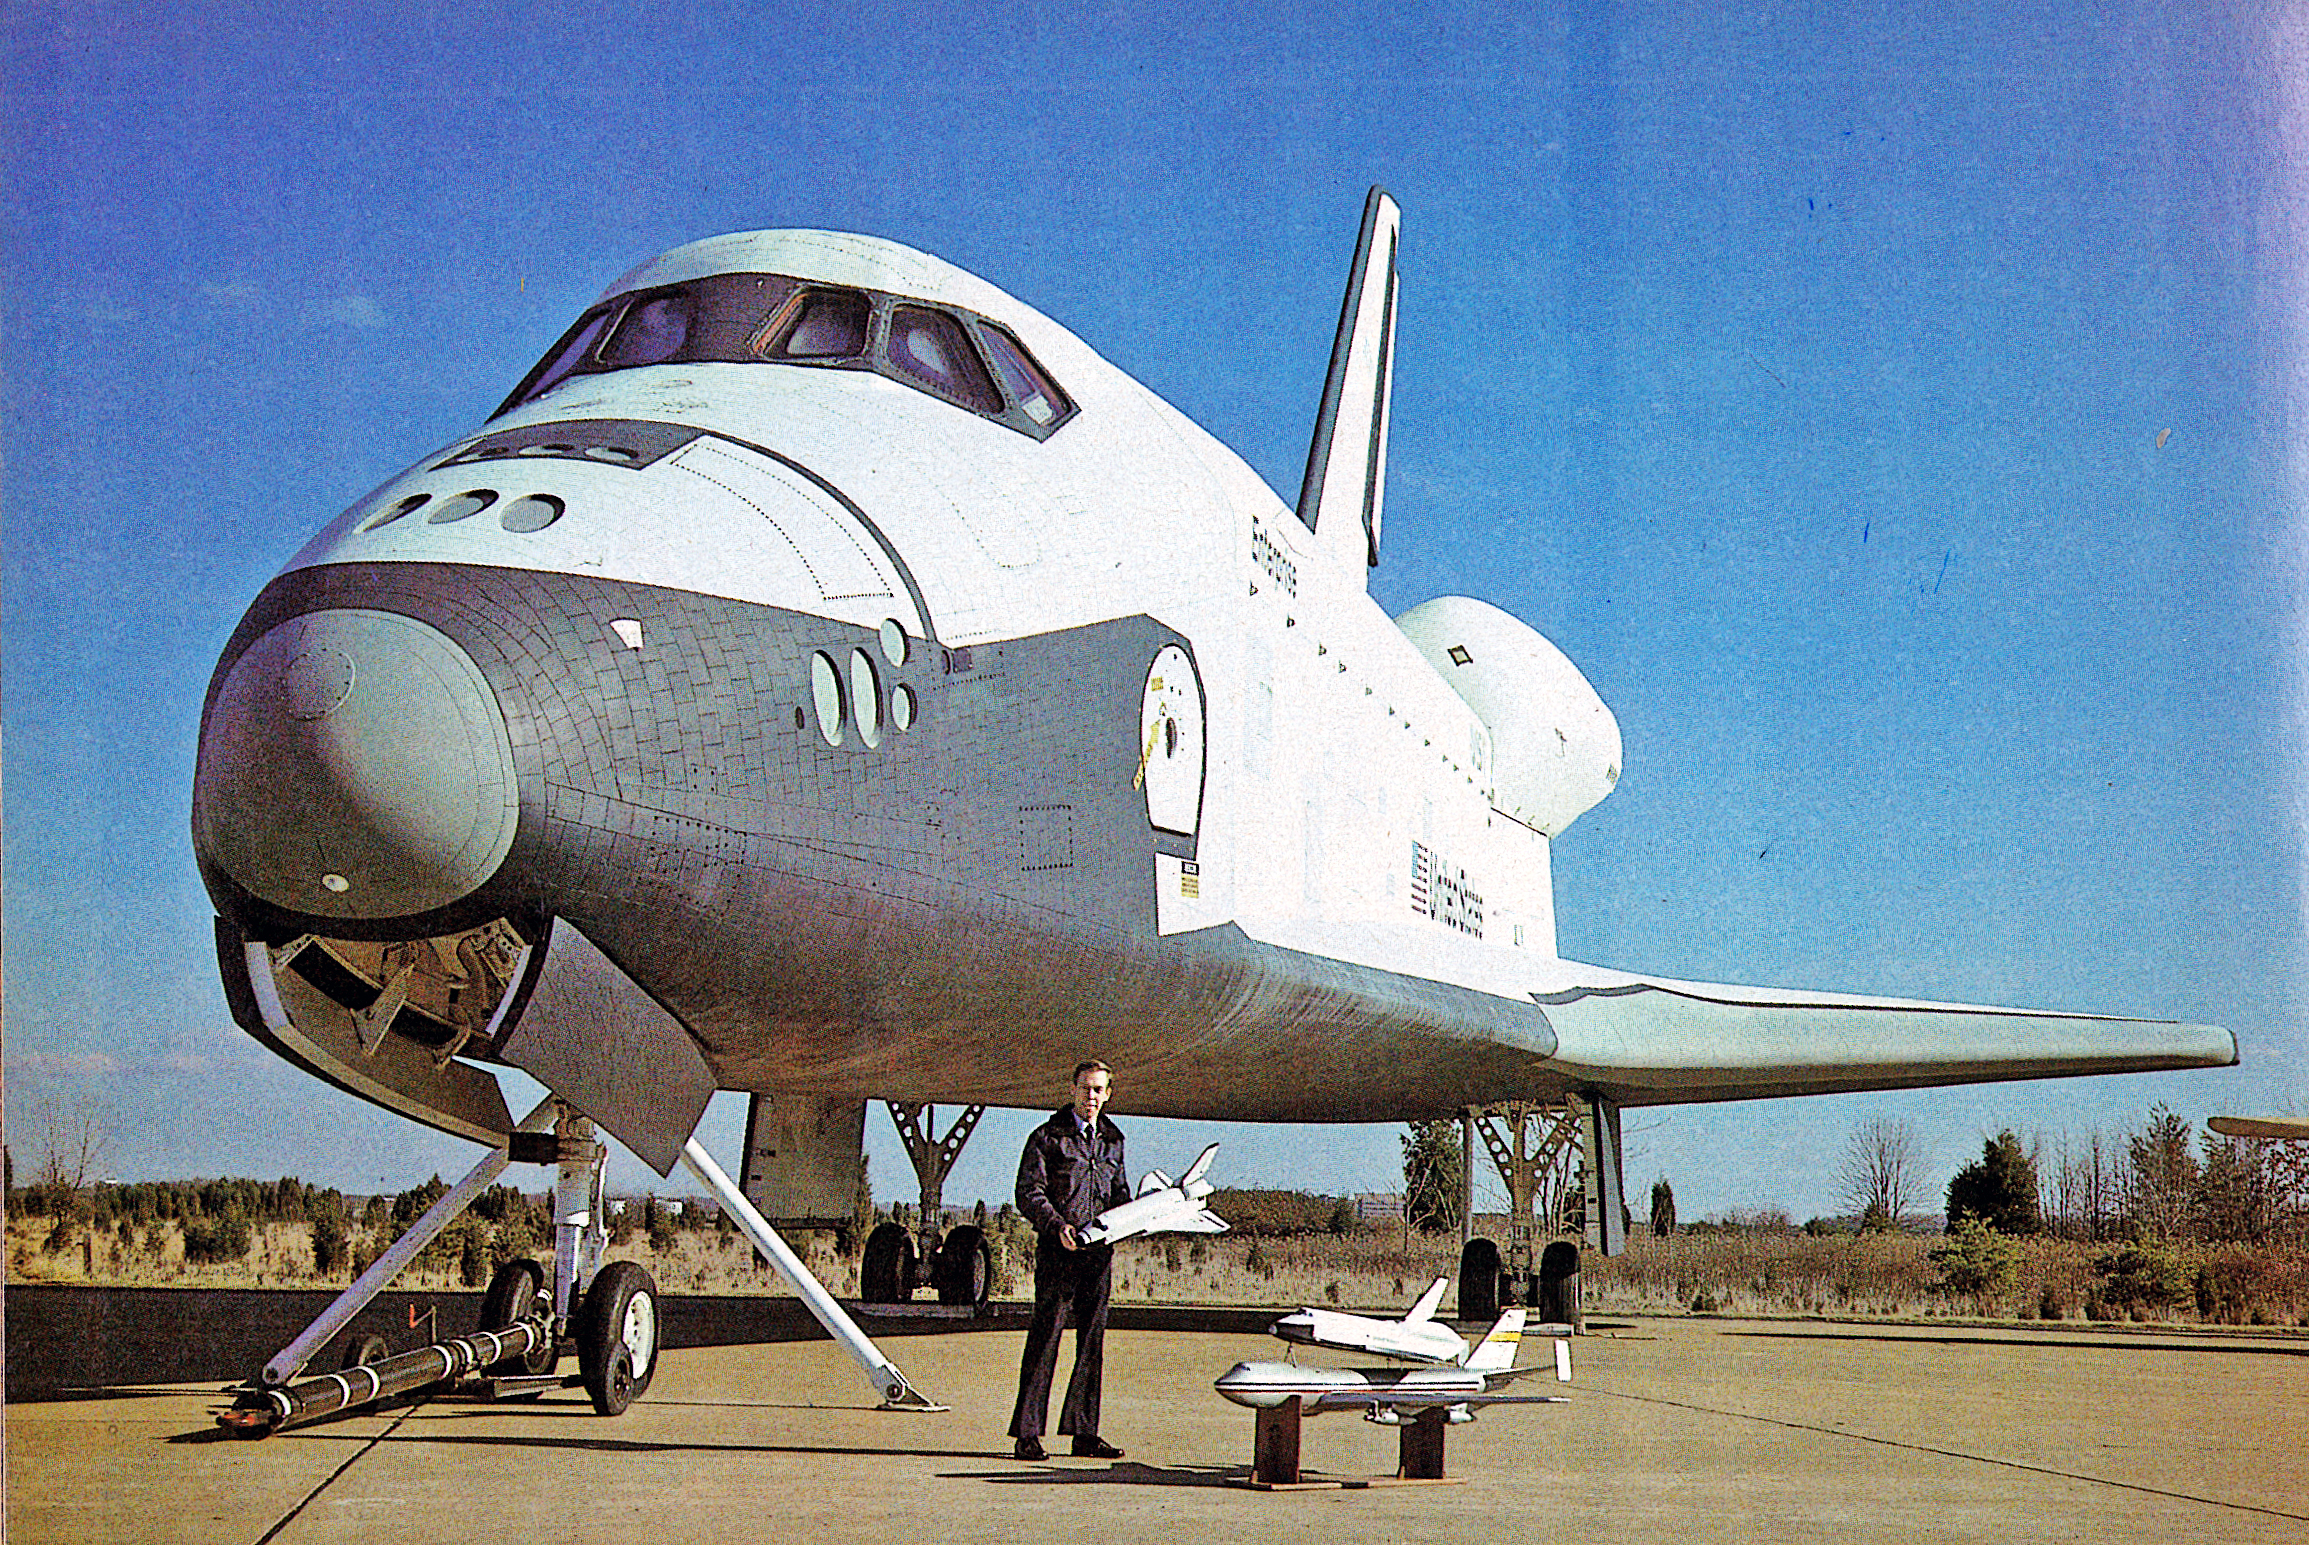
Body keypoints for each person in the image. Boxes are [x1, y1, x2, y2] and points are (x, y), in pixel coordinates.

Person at [1007, 1059, 1131, 1460]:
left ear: (1108, 1094)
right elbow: (1029, 1192)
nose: (1091, 1097)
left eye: (1098, 1090)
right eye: (1084, 1089)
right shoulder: (1047, 1137)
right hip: (1058, 1253)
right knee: (1046, 1339)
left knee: (1092, 1342)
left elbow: (1120, 1192)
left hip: (1098, 1256)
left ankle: (1084, 1432)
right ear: (1073, 1090)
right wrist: (1056, 1226)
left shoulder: (1114, 1139)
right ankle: (1027, 1434)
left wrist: (1134, 1216)